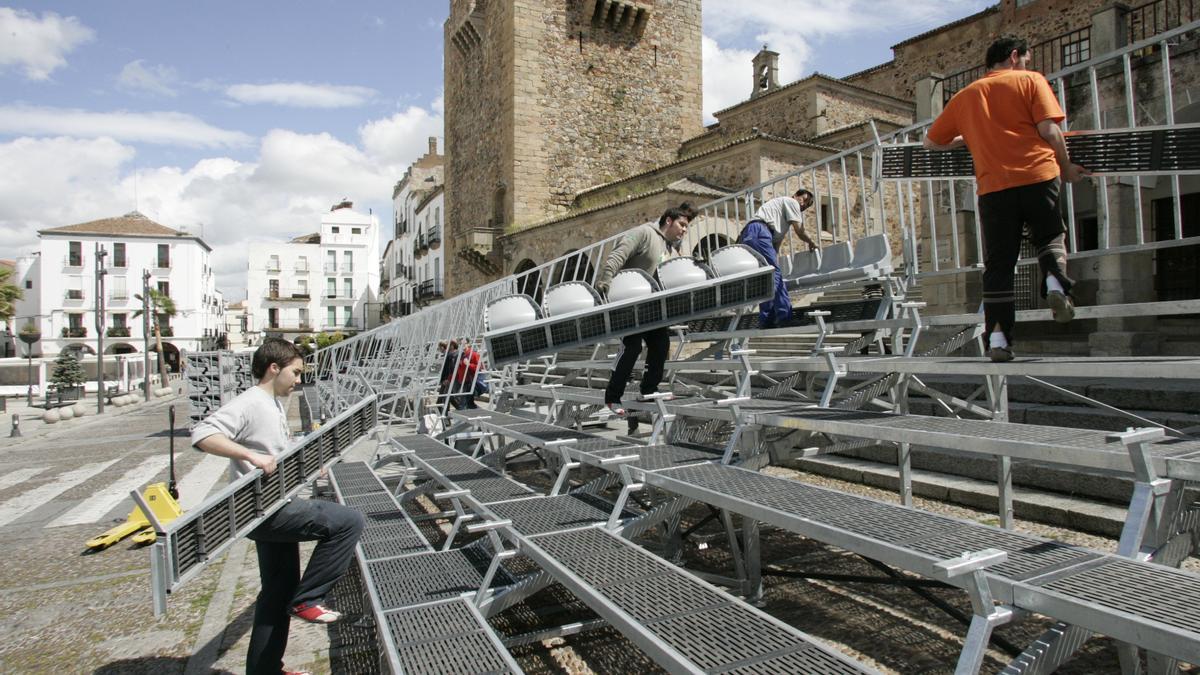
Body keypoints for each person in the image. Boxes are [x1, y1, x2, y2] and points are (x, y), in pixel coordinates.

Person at [191, 338, 364, 675]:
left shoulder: (271, 404)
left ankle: (265, 670)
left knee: (275, 593)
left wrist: (307, 458)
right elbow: (202, 434)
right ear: (275, 367)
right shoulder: (253, 402)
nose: (299, 380)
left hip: (266, 508)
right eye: (295, 372)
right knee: (349, 522)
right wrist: (249, 456)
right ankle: (309, 599)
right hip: (267, 511)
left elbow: (275, 452)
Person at [924, 34, 1090, 362]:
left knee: (999, 264)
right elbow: (1049, 130)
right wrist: (1066, 166)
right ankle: (1057, 288)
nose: (1027, 64)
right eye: (1026, 59)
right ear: (1015, 56)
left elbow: (931, 143)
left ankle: (998, 340)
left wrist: (966, 138)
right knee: (1050, 236)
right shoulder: (1030, 81)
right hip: (1037, 176)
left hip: (993, 188)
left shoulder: (965, 96)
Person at [595, 202, 695, 433]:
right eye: (681, 224)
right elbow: (618, 254)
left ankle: (649, 390)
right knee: (631, 347)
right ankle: (612, 397)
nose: (684, 230)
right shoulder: (644, 233)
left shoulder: (669, 247)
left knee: (661, 344)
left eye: (686, 227)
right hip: (629, 303)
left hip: (651, 307)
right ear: (668, 221)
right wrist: (606, 281)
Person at [737, 189, 816, 328]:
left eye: (807, 205)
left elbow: (775, 246)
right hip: (759, 231)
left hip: (750, 233)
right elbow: (799, 230)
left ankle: (766, 320)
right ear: (795, 196)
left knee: (764, 278)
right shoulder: (791, 202)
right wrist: (811, 242)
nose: (803, 205)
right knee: (774, 274)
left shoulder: (779, 216)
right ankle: (785, 317)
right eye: (803, 200)